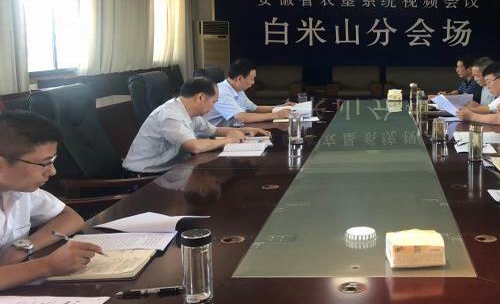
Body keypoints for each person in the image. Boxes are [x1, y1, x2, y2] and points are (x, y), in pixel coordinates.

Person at [0, 112, 103, 291]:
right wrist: (48, 266)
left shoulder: (19, 190)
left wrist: (23, 247)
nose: (52, 171)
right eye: (44, 163)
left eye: (53, 161)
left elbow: (70, 217)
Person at [123, 77, 269, 174]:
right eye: (213, 102)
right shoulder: (170, 115)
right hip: (145, 176)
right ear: (200, 97)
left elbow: (214, 130)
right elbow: (194, 146)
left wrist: (245, 130)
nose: (213, 107)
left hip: (170, 170)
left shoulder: (189, 111)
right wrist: (229, 139)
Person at [207, 59, 293, 126]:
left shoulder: (238, 89)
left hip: (234, 129)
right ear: (239, 79)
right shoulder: (221, 92)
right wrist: (276, 115)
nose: (253, 82)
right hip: (216, 136)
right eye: (251, 79)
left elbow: (255, 108)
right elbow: (241, 117)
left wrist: (281, 107)